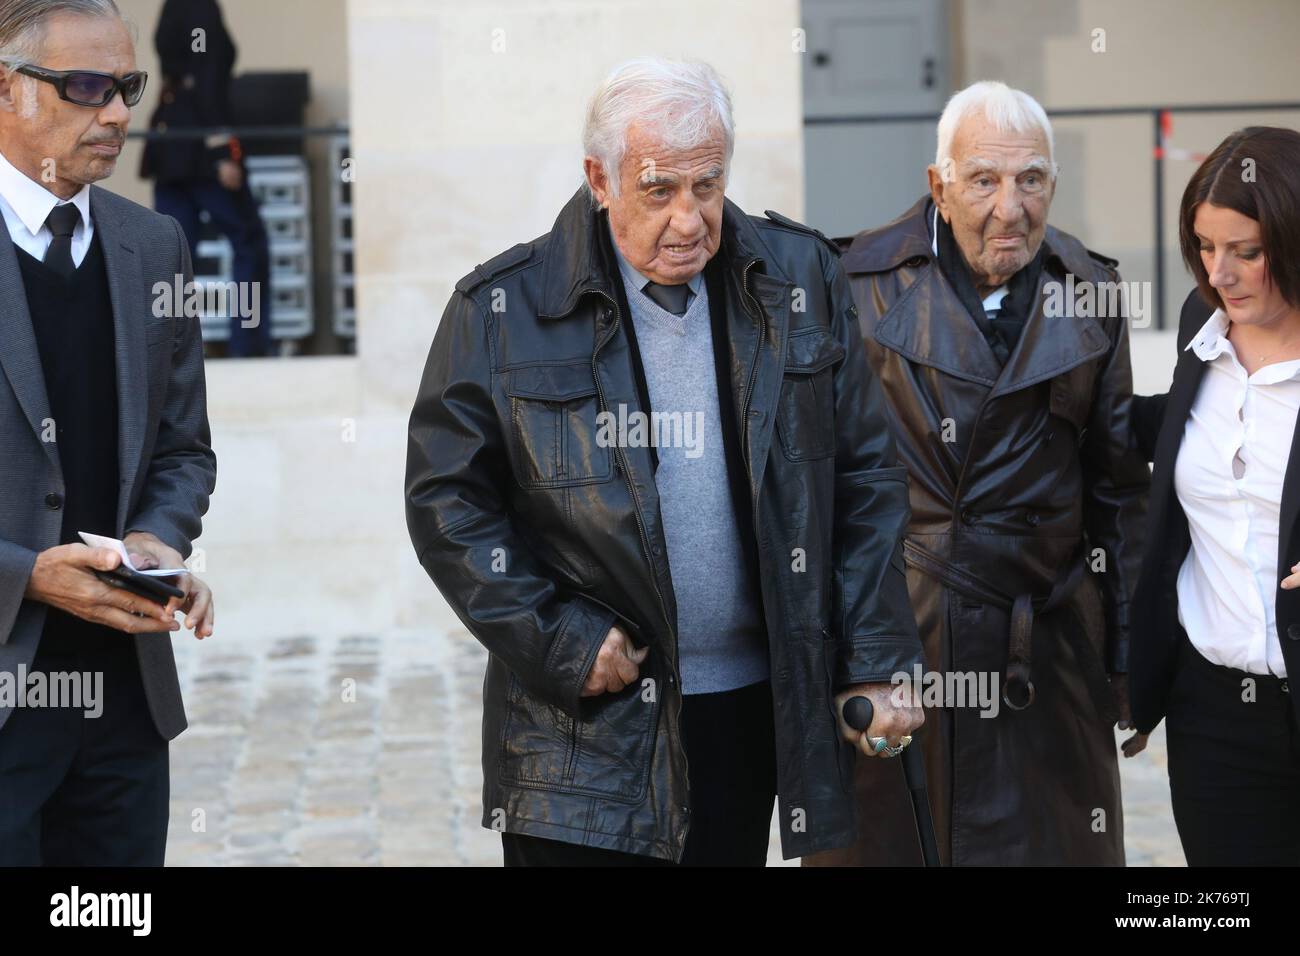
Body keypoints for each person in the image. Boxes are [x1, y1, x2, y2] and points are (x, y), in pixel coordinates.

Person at [405, 57, 923, 866]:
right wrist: (561, 640)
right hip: (579, 732)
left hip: (744, 715)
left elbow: (862, 477)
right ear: (599, 179)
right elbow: (447, 504)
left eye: (707, 186)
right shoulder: (502, 309)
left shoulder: (800, 278)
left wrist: (877, 656)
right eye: (658, 190)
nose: (688, 219)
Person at [804, 81, 1150, 867]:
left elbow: (1118, 489)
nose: (1011, 207)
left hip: (1046, 652)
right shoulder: (851, 285)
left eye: (1031, 180)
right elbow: (814, 493)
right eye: (984, 180)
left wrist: (1130, 654)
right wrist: (838, 656)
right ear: (939, 184)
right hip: (901, 642)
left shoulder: (1090, 289)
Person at [0, 0, 216, 866]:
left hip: (124, 706)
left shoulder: (152, 244)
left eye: (126, 85)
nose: (120, 112)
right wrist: (27, 578)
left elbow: (183, 447)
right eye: (87, 87)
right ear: (7, 92)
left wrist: (155, 542)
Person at [1128, 126, 1300, 866]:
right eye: (1204, 246)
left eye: (1247, 252)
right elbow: (1178, 427)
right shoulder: (1204, 326)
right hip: (1215, 715)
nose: (1218, 274)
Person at [140, 0, 271, 357]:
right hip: (201, 151)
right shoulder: (200, 8)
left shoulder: (174, 7)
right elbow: (208, 82)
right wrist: (222, 153)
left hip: (172, 144)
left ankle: (168, 352)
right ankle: (248, 346)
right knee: (249, 243)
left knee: (172, 255)